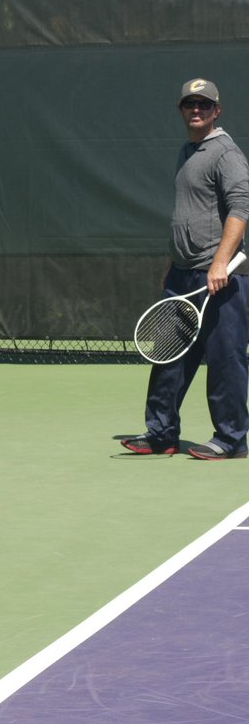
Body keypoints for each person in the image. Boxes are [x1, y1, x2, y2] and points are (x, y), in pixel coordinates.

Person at [122, 78, 249, 462]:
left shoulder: (225, 154)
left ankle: (231, 439)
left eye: (204, 105)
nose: (196, 110)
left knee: (225, 359)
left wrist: (220, 262)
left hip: (222, 277)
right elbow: (189, 216)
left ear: (217, 111)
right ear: (181, 110)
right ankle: (161, 433)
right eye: (190, 104)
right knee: (168, 356)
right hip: (183, 274)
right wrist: (173, 265)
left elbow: (241, 208)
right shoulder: (188, 151)